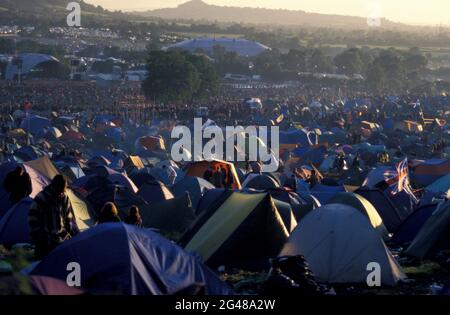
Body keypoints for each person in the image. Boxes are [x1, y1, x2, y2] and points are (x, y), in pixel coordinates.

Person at [28, 175, 79, 260]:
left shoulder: (64, 198)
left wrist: (71, 233)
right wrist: (38, 236)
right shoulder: (42, 198)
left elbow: (68, 217)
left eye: (62, 191)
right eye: (59, 191)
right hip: (44, 242)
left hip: (61, 240)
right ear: (53, 186)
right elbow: (32, 218)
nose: (60, 193)